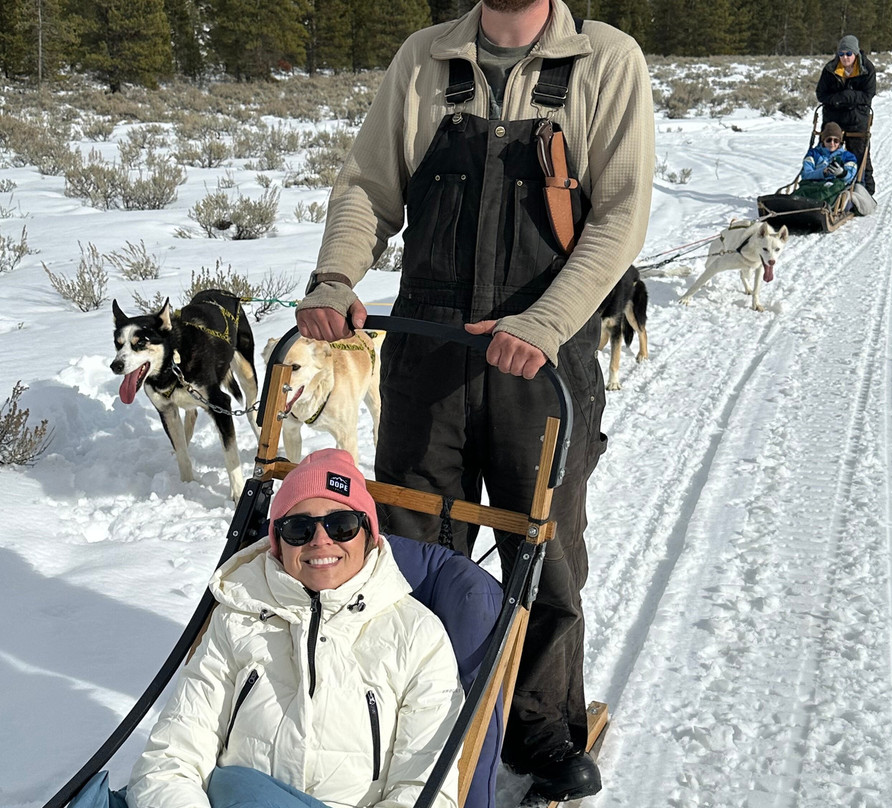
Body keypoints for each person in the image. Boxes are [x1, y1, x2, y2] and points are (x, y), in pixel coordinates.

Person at [294, 0, 655, 800]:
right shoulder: (426, 58)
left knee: (546, 551)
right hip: (428, 354)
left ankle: (538, 729)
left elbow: (622, 215)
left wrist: (548, 320)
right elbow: (367, 187)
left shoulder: (604, 62)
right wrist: (336, 275)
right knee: (413, 550)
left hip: (544, 360)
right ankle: (408, 717)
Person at [126, 448, 464, 808]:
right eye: (299, 529)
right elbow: (171, 757)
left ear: (368, 534)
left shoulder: (417, 636)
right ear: (277, 543)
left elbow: (423, 790)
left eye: (342, 525)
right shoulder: (237, 617)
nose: (321, 540)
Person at [816, 34, 876, 194]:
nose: (845, 57)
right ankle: (822, 187)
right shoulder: (830, 69)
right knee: (828, 152)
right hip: (833, 118)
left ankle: (865, 191)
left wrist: (848, 96)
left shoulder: (866, 69)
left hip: (857, 118)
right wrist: (836, 99)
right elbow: (821, 95)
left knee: (859, 154)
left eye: (848, 54)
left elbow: (868, 95)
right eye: (841, 54)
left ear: (855, 54)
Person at [791, 121, 858, 206]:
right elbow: (805, 175)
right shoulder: (813, 154)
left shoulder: (848, 156)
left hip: (833, 186)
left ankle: (810, 205)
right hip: (812, 184)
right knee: (802, 191)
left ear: (840, 142)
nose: (832, 143)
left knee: (832, 190)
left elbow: (851, 178)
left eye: (836, 140)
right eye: (829, 140)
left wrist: (842, 173)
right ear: (823, 140)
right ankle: (795, 204)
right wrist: (822, 173)